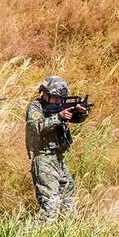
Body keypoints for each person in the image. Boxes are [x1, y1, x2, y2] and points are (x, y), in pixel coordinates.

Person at [25, 76, 88, 222]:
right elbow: (36, 127)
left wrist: (81, 112)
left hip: (58, 160)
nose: (59, 101)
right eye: (56, 98)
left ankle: (63, 235)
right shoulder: (35, 107)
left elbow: (76, 118)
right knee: (50, 207)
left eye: (61, 98)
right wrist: (59, 117)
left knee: (68, 202)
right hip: (44, 159)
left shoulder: (60, 106)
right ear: (45, 94)